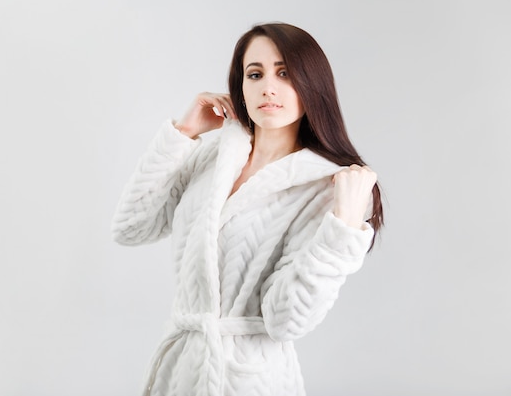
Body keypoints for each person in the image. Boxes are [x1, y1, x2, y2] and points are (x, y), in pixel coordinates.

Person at [111, 22, 384, 396]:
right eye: (254, 74)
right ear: (241, 85)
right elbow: (131, 227)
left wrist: (343, 229)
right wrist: (184, 133)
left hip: (250, 381)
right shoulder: (213, 156)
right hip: (181, 374)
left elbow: (285, 319)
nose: (268, 87)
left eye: (284, 73)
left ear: (311, 85)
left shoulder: (325, 189)